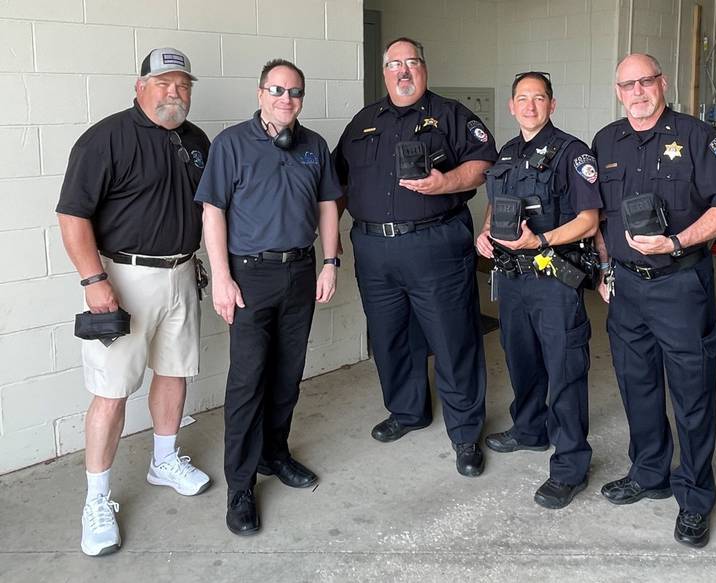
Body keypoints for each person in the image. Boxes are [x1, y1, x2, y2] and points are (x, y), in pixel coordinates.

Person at [56, 47, 211, 557]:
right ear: (140, 86)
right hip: (121, 279)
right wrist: (92, 279)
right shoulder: (106, 138)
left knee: (173, 371)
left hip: (182, 272)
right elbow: (73, 216)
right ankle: (96, 499)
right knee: (111, 390)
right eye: (164, 82)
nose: (174, 92)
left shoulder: (196, 141)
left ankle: (163, 459)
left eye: (183, 84)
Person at [592, 53, 716, 547]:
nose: (637, 92)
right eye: (627, 84)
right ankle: (649, 473)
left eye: (645, 81)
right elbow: (599, 216)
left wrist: (677, 242)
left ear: (663, 82)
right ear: (617, 91)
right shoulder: (606, 141)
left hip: (681, 284)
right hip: (625, 287)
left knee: (693, 393)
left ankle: (696, 497)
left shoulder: (699, 137)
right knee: (636, 385)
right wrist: (604, 267)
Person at [333, 37, 497, 477]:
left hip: (435, 245)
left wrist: (445, 184)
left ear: (424, 68)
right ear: (384, 72)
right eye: (394, 65)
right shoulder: (364, 122)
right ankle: (407, 412)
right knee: (390, 337)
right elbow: (338, 187)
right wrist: (326, 242)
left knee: (452, 337)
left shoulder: (451, 115)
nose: (403, 71)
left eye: (412, 63)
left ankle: (465, 433)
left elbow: (484, 164)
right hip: (373, 249)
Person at [194, 59, 342, 536]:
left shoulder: (314, 145)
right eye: (277, 90)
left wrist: (330, 262)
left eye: (295, 92)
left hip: (299, 271)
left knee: (287, 375)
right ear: (260, 94)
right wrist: (221, 277)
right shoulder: (230, 144)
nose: (286, 99)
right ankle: (240, 487)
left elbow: (326, 207)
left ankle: (274, 454)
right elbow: (212, 212)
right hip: (249, 277)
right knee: (246, 384)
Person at [475, 72, 600, 509]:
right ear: (511, 106)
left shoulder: (572, 152)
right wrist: (486, 231)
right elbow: (497, 202)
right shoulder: (507, 153)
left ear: (552, 104)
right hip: (511, 278)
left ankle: (570, 465)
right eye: (522, 99)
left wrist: (540, 241)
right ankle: (529, 429)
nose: (529, 106)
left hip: (554, 277)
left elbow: (589, 220)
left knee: (565, 369)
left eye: (539, 98)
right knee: (520, 358)